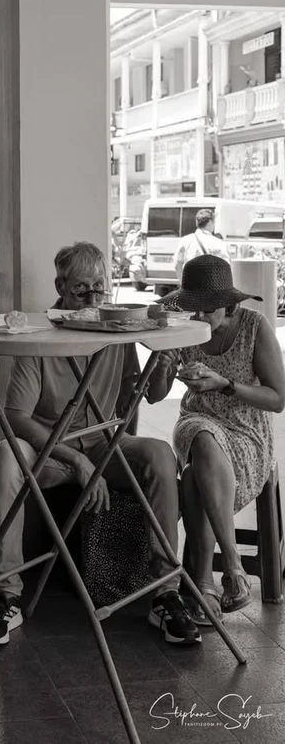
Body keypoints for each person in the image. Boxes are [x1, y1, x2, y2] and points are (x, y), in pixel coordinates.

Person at [0, 241, 200, 648]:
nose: (94, 298)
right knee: (8, 458)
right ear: (60, 287)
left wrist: (163, 369)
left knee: (160, 455)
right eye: (82, 290)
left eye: (101, 286)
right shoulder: (39, 336)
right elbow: (17, 418)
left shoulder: (118, 330)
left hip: (102, 442)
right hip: (49, 449)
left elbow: (144, 395)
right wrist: (74, 460)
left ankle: (165, 589)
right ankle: (6, 593)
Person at [148, 255, 285, 623]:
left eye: (208, 310)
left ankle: (204, 583)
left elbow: (278, 398)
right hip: (196, 422)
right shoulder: (183, 330)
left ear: (230, 304)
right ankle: (234, 567)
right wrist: (162, 368)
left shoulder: (254, 327)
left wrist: (226, 385)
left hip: (246, 433)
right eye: (193, 309)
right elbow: (154, 396)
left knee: (194, 476)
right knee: (203, 436)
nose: (200, 318)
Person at [173, 209, 230, 282]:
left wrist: (183, 283)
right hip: (211, 288)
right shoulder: (219, 243)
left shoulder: (185, 241)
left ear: (197, 222)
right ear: (210, 222)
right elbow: (226, 268)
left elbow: (177, 265)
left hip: (191, 287)